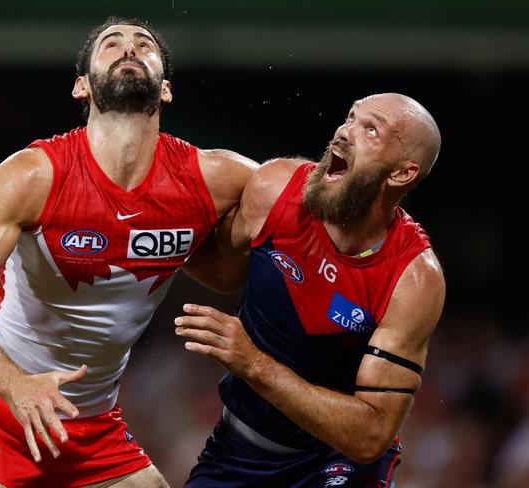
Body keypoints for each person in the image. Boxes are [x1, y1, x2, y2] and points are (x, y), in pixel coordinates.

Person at [0, 16, 258, 488]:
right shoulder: (34, 175)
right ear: (82, 87)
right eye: (110, 44)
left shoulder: (213, 178)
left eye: (144, 44)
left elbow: (300, 199)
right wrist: (15, 386)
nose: (129, 49)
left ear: (167, 90)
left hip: (93, 425)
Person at [175, 92, 446, 487]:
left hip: (336, 460)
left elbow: (370, 436)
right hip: (237, 450)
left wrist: (254, 364)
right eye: (350, 117)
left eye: (371, 130)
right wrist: (141, 236)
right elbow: (221, 272)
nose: (344, 132)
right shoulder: (275, 188)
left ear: (401, 174)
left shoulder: (413, 278)